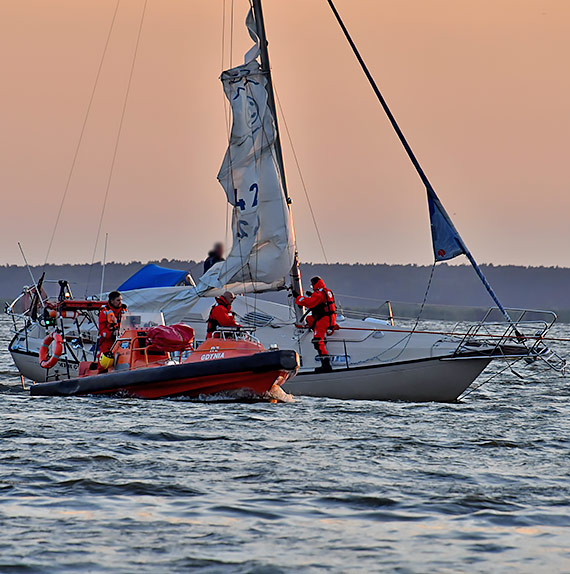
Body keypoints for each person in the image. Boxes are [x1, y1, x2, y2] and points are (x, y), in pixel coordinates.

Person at [294, 276, 338, 373]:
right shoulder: (327, 291)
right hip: (331, 319)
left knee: (317, 341)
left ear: (314, 284)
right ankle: (321, 337)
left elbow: (310, 303)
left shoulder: (318, 294)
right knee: (310, 319)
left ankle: (326, 365)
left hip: (323, 320)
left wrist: (298, 298)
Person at [98, 291, 127, 356]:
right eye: (118, 300)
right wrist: (112, 333)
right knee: (105, 362)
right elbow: (102, 331)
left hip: (122, 341)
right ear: (112, 301)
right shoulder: (104, 312)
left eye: (121, 300)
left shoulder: (124, 310)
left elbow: (130, 324)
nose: (120, 302)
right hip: (108, 343)